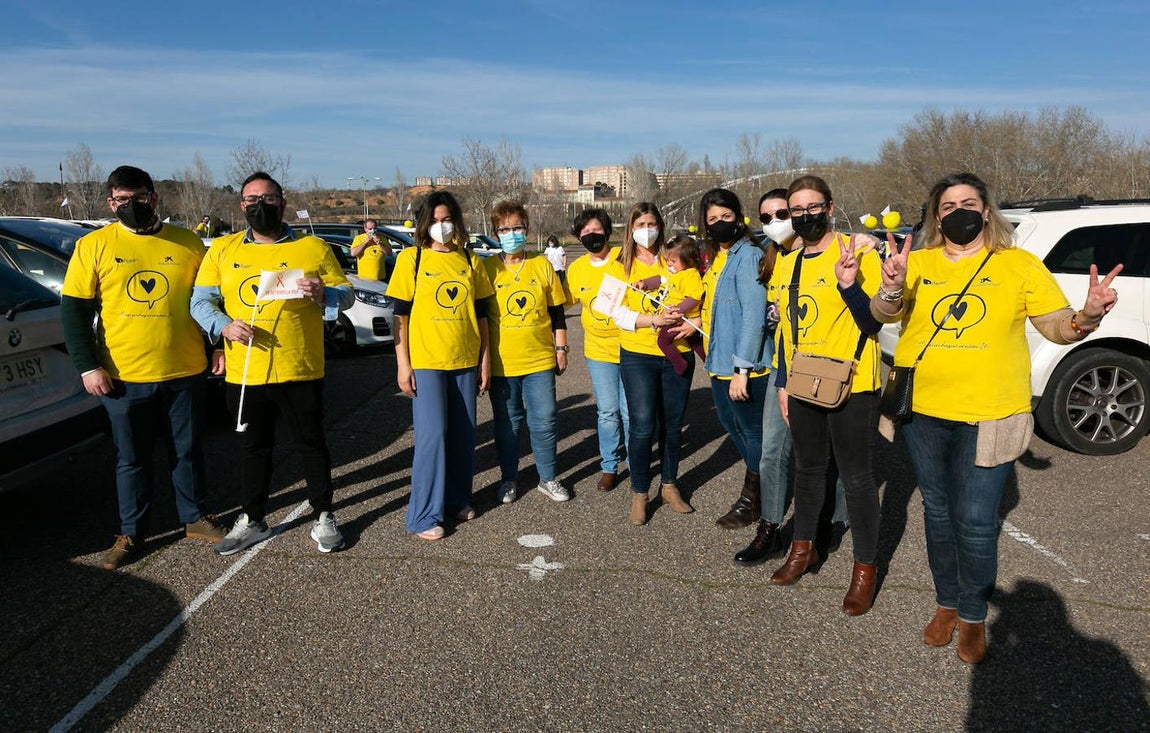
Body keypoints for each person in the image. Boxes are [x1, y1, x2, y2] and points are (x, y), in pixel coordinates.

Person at [873, 172, 1120, 663]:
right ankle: (946, 602)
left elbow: (1055, 326)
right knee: (937, 513)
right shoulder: (916, 263)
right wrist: (891, 285)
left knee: (977, 521)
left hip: (991, 414)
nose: (959, 211)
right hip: (922, 411)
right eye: (948, 206)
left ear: (986, 210)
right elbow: (884, 315)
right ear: (935, 215)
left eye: (969, 202)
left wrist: (1088, 315)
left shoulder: (1019, 265)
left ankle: (971, 613)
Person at [61, 165, 225, 570]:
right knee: (131, 457)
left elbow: (210, 301)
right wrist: (87, 366)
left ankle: (194, 518)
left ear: (153, 198)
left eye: (138, 198)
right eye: (121, 200)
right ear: (110, 202)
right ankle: (131, 532)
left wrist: (218, 346)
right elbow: (74, 312)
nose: (130, 206)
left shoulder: (189, 243)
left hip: (185, 369)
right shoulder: (94, 245)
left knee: (187, 451)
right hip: (123, 376)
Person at [191, 171, 353, 555]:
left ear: (281, 202)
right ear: (241, 206)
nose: (258, 206)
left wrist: (324, 292)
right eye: (250, 200)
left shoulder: (313, 248)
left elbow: (346, 295)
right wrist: (223, 326)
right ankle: (253, 518)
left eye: (266, 198)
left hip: (301, 368)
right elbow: (199, 302)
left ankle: (324, 515)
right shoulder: (223, 250)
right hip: (247, 374)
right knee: (252, 449)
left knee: (311, 444)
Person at [767, 175, 885, 617]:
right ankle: (803, 550)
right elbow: (783, 329)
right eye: (796, 210)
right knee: (808, 471)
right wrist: (782, 382)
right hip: (803, 383)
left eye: (812, 208)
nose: (804, 216)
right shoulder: (787, 262)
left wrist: (849, 283)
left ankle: (865, 569)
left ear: (830, 208)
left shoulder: (857, 253)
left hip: (853, 382)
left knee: (857, 479)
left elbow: (874, 323)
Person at [735, 189, 850, 566]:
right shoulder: (775, 261)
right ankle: (769, 526)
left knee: (830, 452)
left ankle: (832, 520)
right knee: (773, 452)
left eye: (781, 213)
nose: (774, 223)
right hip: (786, 369)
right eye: (765, 218)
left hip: (833, 368)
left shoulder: (840, 250)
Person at [386, 191, 494, 540]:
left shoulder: (469, 259)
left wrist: (485, 359)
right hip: (428, 362)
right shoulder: (411, 259)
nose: (442, 226)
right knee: (433, 438)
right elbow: (399, 318)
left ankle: (456, 499)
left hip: (465, 360)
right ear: (423, 223)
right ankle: (423, 514)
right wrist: (403, 365)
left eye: (447, 219)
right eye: (434, 220)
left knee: (464, 436)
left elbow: (481, 315)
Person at [685, 189, 770, 538]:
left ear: (739, 216)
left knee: (752, 432)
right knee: (731, 425)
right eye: (712, 220)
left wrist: (742, 369)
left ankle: (754, 498)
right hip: (718, 361)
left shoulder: (748, 256)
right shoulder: (715, 258)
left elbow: (753, 317)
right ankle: (765, 482)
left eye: (726, 216)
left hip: (743, 364)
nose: (721, 224)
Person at [608, 202, 697, 526]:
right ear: (630, 228)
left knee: (673, 424)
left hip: (678, 349)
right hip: (637, 355)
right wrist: (651, 319)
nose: (647, 229)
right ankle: (640, 493)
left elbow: (697, 290)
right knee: (643, 425)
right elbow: (612, 312)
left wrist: (696, 317)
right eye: (640, 223)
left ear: (660, 225)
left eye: (652, 223)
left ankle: (670, 485)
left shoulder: (672, 257)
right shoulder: (620, 264)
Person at [484, 201, 570, 504]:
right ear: (496, 233)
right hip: (502, 363)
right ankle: (509, 479)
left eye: (517, 227)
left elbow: (557, 312)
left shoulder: (541, 264)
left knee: (545, 419)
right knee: (508, 424)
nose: (512, 234)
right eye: (505, 229)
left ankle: (548, 478)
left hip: (540, 359)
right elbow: (481, 318)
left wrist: (561, 348)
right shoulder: (488, 267)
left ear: (527, 229)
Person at [566, 209, 629, 492]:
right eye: (585, 232)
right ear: (579, 236)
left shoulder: (625, 258)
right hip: (598, 350)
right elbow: (564, 300)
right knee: (607, 411)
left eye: (597, 230)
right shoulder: (577, 268)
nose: (592, 235)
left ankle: (637, 461)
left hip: (630, 346)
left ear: (608, 231)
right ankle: (609, 465)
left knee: (630, 412)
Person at [631, 234, 706, 376]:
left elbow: (694, 297)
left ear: (687, 260)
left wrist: (678, 310)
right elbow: (660, 279)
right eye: (667, 260)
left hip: (683, 317)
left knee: (663, 340)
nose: (669, 264)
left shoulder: (690, 275)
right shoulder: (673, 272)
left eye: (673, 261)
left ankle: (680, 363)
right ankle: (708, 360)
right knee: (695, 341)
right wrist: (644, 283)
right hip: (676, 315)